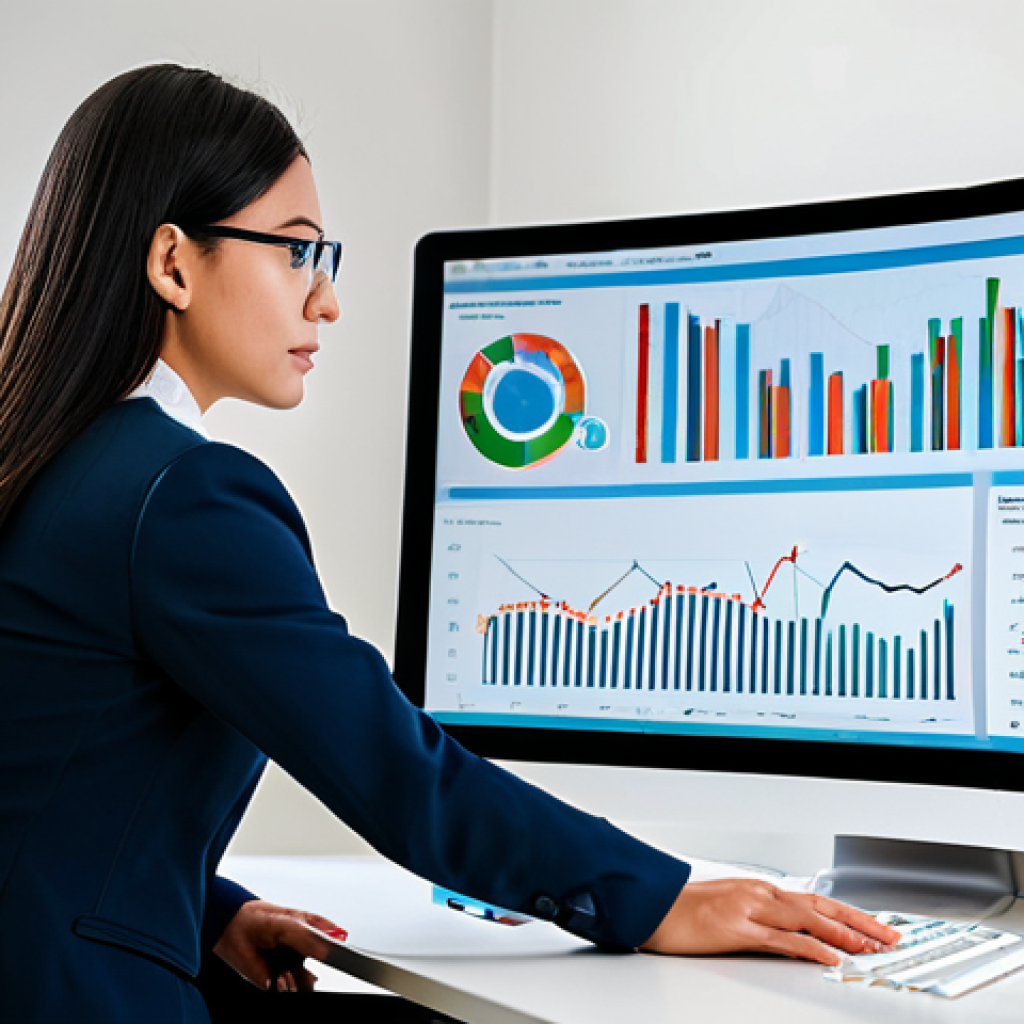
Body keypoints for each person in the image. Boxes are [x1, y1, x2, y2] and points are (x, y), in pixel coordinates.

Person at [0, 64, 898, 1024]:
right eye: (298, 254)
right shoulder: (183, 497)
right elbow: (400, 775)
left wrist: (205, 907)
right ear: (174, 264)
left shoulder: (50, 460)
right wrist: (662, 898)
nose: (327, 302)